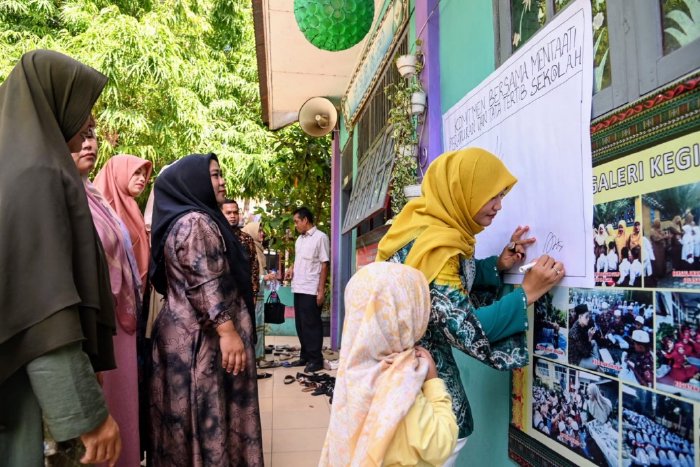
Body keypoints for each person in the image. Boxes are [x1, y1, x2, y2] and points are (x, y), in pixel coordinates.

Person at [374, 148, 564, 460]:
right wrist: (527, 293)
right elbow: (464, 327)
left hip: (394, 381)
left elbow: (434, 288)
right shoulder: (439, 247)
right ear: (464, 190)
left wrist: (497, 265)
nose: (499, 206)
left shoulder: (418, 227)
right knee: (445, 442)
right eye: (492, 195)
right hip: (422, 394)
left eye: (502, 196)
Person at [0, 50, 121, 466]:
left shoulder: (21, 168)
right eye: (83, 105)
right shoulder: (36, 175)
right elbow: (41, 309)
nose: (89, 122)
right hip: (26, 388)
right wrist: (86, 416)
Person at [149, 153, 262, 466]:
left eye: (220, 173)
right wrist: (228, 331)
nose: (222, 181)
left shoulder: (187, 220)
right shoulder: (195, 222)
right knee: (207, 416)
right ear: (193, 181)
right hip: (203, 340)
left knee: (191, 422)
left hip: (188, 335)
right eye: (214, 175)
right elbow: (204, 281)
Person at [319, 262, 458, 466]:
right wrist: (433, 383)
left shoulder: (351, 370)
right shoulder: (401, 383)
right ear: (402, 315)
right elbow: (441, 443)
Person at [72, 120, 142, 467]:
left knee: (121, 408)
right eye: (79, 134)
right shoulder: (61, 195)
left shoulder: (94, 196)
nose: (89, 142)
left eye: (93, 134)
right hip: (94, 322)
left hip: (119, 323)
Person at [94, 154, 154, 290]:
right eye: (136, 173)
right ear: (118, 173)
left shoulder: (132, 208)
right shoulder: (100, 209)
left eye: (144, 175)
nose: (143, 179)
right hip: (110, 292)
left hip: (137, 292)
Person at [285, 206, 330, 373]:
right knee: (301, 325)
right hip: (299, 286)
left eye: (297, 221)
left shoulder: (321, 238)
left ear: (305, 220)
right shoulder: (300, 240)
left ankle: (315, 359)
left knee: (312, 325)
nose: (296, 225)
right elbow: (300, 259)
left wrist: (321, 291)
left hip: (311, 288)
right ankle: (305, 355)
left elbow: (324, 264)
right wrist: (291, 268)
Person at [222, 199, 260, 299]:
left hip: (244, 293)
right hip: (222, 293)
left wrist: (254, 292)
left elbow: (254, 265)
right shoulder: (216, 237)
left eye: (235, 212)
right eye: (228, 213)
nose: (232, 216)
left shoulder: (246, 239)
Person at [242, 221, 268, 361]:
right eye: (259, 231)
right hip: (251, 293)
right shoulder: (247, 247)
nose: (262, 233)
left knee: (258, 322)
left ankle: (258, 355)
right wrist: (265, 277)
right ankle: (253, 355)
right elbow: (250, 273)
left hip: (259, 293)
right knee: (252, 323)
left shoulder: (259, 248)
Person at [568, 304, 600, 371]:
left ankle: (595, 358)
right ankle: (596, 359)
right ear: (580, 317)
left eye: (589, 316)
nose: (588, 319)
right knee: (595, 365)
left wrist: (588, 336)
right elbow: (585, 353)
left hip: (582, 351)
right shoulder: (575, 333)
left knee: (594, 342)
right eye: (586, 317)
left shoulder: (581, 324)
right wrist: (589, 337)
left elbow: (585, 342)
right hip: (576, 359)